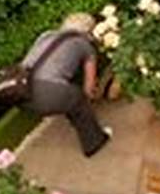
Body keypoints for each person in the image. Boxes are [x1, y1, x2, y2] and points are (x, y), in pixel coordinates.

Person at [23, 14, 110, 157]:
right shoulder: (84, 45)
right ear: (89, 31)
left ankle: (68, 108)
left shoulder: (46, 35)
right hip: (48, 93)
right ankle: (94, 143)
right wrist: (89, 100)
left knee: (68, 96)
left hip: (21, 93)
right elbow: (88, 87)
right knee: (77, 99)